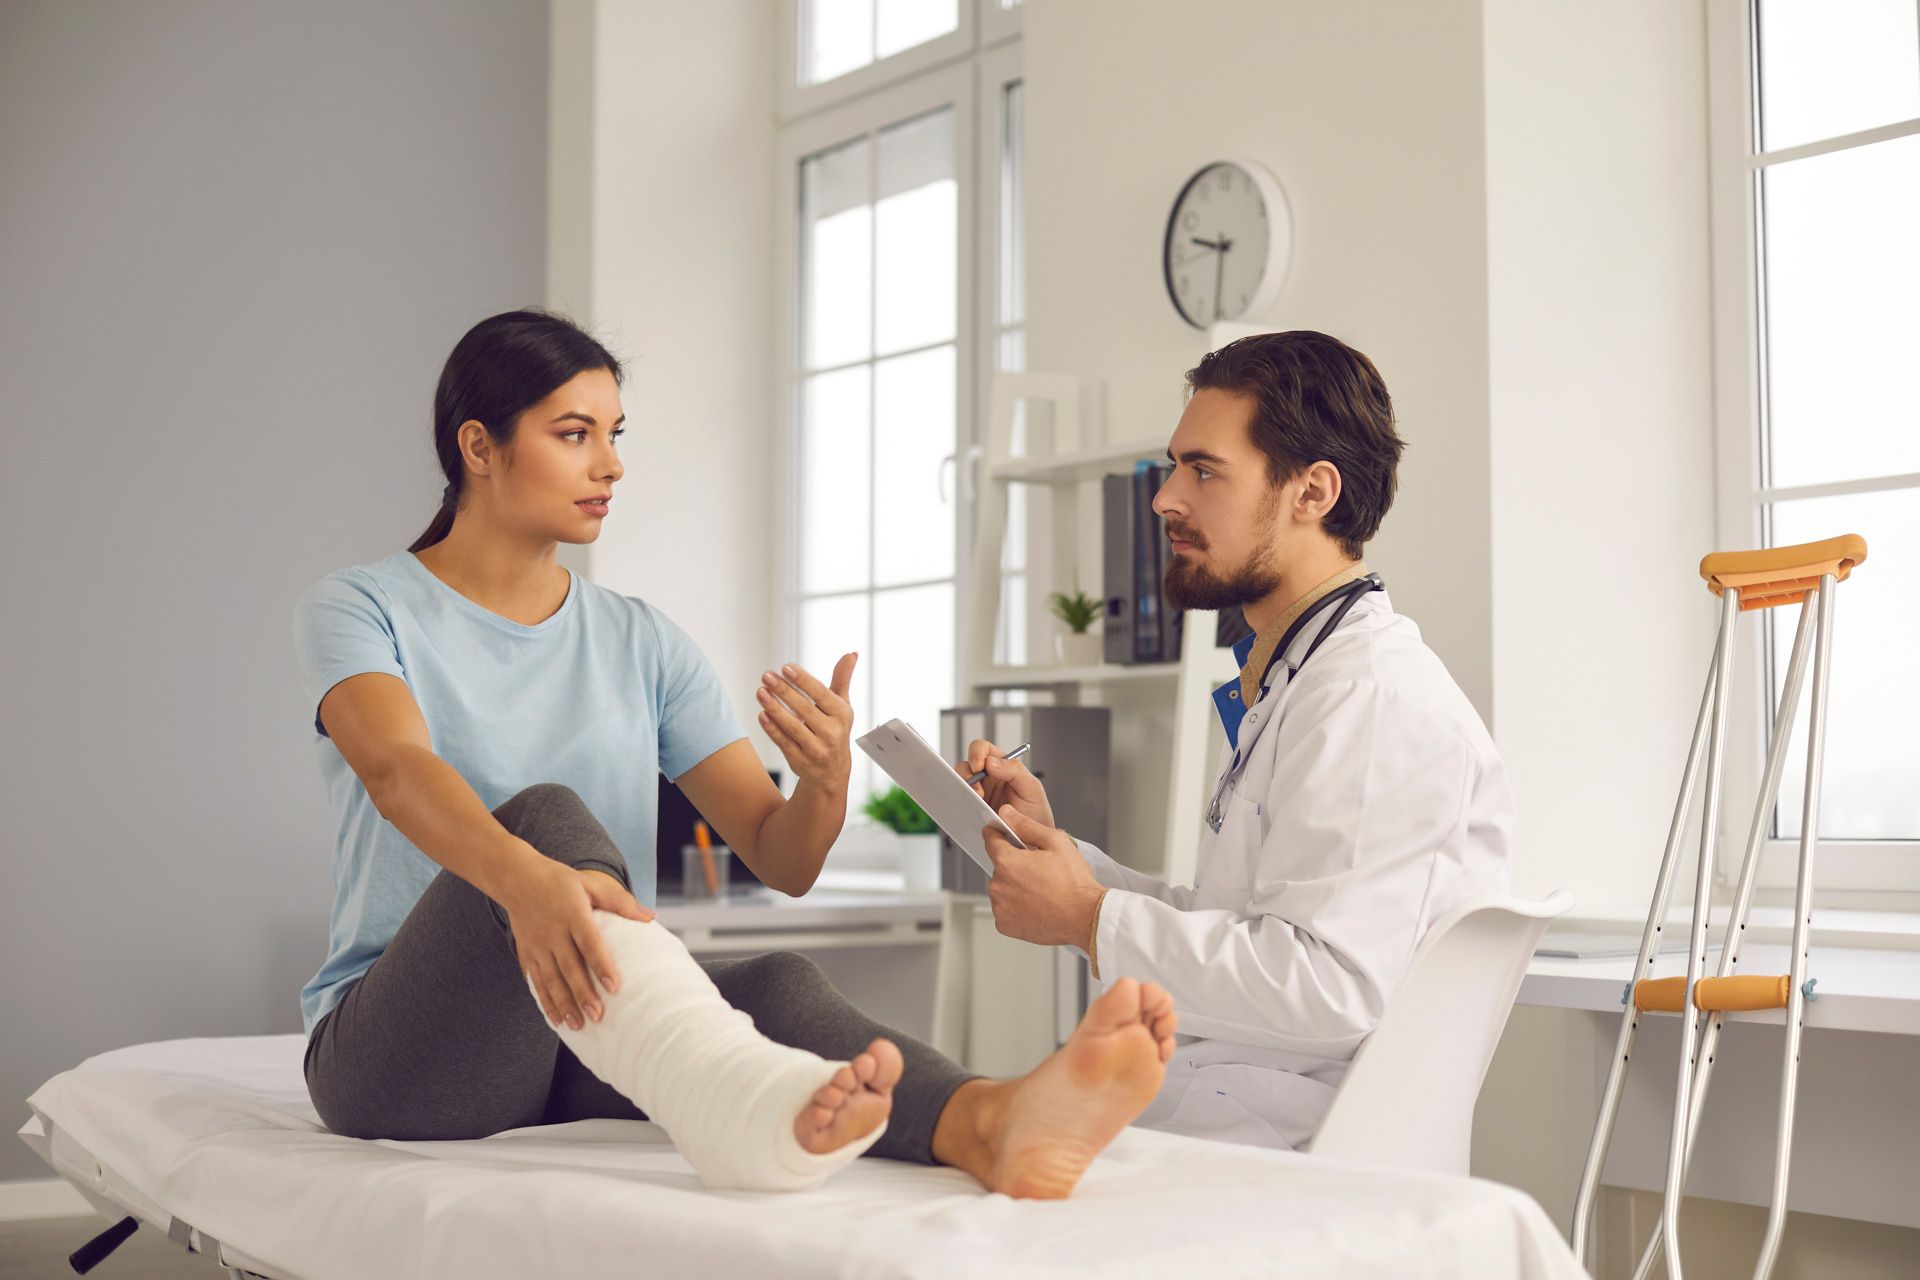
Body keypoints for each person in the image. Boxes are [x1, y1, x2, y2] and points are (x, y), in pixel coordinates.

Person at [294, 308, 1178, 1194]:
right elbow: (397, 771)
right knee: (546, 819)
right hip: (400, 1056)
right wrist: (528, 887)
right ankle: (730, 1107)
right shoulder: (362, 606)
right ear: (479, 447)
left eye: (614, 434)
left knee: (775, 984)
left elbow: (781, 859)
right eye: (573, 434)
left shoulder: (643, 640)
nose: (611, 464)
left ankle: (989, 1124)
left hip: (577, 1034)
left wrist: (825, 780)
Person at [963, 330, 1513, 1150]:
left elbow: (1326, 988)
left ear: (1312, 492)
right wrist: (1073, 869)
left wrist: (1089, 918)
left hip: (1286, 1150)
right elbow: (1238, 926)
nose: (1165, 499)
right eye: (1174, 467)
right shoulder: (1306, 680)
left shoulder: (1370, 701)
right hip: (1230, 1115)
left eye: (1204, 470)